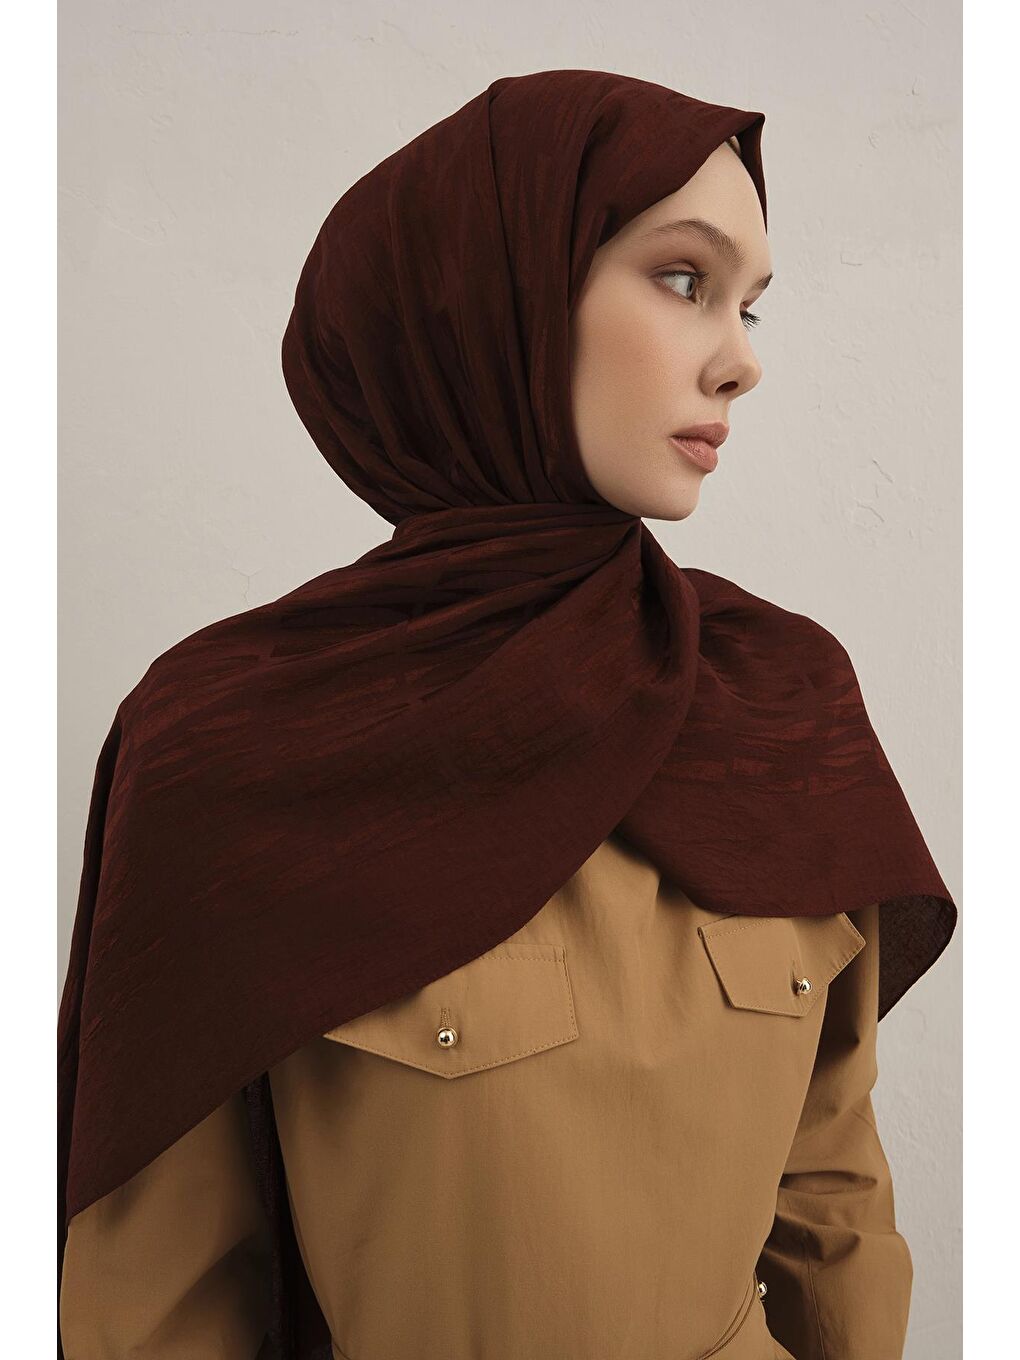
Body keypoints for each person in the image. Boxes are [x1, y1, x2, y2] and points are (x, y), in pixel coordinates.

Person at [58, 71, 957, 1360]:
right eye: (685, 280)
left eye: (751, 304)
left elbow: (834, 1205)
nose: (743, 360)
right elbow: (157, 1308)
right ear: (496, 302)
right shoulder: (235, 748)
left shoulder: (779, 700)